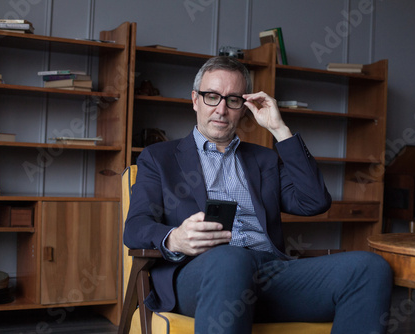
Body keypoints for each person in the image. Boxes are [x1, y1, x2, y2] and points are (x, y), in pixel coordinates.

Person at [124, 56, 392, 334]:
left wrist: (280, 130)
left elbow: (315, 202)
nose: (221, 109)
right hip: (202, 274)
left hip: (270, 274)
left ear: (245, 107)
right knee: (231, 258)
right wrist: (176, 238)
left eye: (233, 100)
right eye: (212, 97)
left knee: (370, 267)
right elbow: (135, 227)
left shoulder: (264, 160)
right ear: (195, 100)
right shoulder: (159, 157)